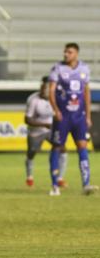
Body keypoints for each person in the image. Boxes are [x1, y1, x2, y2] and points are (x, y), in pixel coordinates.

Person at [48, 43, 98, 196]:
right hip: (63, 116)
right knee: (57, 147)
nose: (66, 54)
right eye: (65, 51)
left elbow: (86, 93)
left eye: (69, 52)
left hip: (79, 117)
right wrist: (56, 110)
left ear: (76, 54)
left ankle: (86, 184)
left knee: (82, 146)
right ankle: (55, 185)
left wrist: (88, 115)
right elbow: (51, 91)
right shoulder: (57, 69)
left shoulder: (84, 69)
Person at [24, 76, 68, 188]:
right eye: (44, 88)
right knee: (31, 153)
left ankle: (60, 178)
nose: (46, 91)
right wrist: (44, 124)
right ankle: (29, 176)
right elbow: (27, 120)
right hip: (36, 132)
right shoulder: (33, 100)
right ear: (41, 87)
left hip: (52, 130)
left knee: (62, 149)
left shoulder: (58, 97)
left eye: (48, 88)